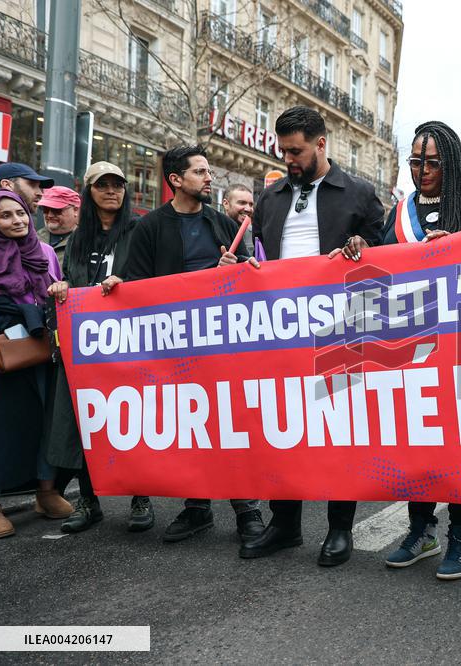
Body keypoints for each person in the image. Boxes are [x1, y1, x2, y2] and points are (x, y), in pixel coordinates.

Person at [335, 120, 461, 580]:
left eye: (432, 163)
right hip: (408, 346)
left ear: (451, 164)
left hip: (460, 346)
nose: (422, 170)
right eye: (416, 162)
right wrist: (362, 249)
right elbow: (382, 268)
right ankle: (421, 529)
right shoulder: (399, 212)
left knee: (458, 446)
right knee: (416, 440)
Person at [239, 106, 383, 564]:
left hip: (340, 328)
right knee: (285, 427)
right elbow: (260, 255)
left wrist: (365, 248)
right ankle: (285, 525)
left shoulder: (358, 193)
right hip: (282, 332)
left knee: (338, 428)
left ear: (321, 145)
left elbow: (388, 255)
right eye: (284, 152)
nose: (289, 160)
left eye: (296, 151)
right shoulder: (273, 197)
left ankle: (340, 528)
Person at [124, 145, 265, 545]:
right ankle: (197, 508)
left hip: (221, 345)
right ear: (175, 180)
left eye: (208, 171)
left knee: (231, 425)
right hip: (174, 347)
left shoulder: (222, 224)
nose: (209, 178)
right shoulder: (149, 227)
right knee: (191, 426)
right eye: (200, 172)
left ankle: (247, 510)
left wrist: (234, 273)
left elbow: (246, 282)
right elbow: (138, 287)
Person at [44, 162, 150, 534]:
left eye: (117, 185)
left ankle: (141, 496)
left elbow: (155, 278)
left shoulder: (139, 230)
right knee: (88, 423)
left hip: (130, 344)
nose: (111, 191)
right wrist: (62, 288)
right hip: (86, 350)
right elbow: (70, 282)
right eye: (102, 185)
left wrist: (129, 281)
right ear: (88, 192)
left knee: (132, 422)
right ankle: (89, 501)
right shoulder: (78, 237)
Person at [0, 190, 71, 538]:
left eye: (20, 213)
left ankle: (46, 491)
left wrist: (62, 289)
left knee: (45, 419)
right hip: (0, 351)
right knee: (0, 426)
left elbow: (57, 289)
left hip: (43, 348)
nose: (17, 221)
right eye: (5, 216)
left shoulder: (46, 252)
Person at [37, 186, 80, 266]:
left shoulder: (87, 243)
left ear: (75, 210)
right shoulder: (32, 239)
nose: (50, 215)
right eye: (45, 209)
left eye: (56, 210)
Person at [222, 184, 255, 250]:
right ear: (226, 204)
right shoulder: (212, 231)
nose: (248, 209)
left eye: (251, 204)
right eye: (242, 203)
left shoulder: (255, 234)